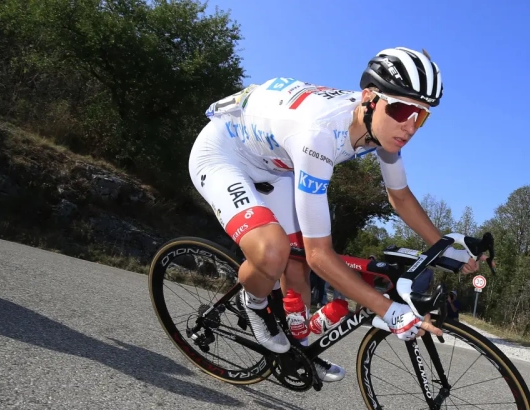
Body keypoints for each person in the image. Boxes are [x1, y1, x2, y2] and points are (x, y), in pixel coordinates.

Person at [188, 47, 478, 383]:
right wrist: (390, 311)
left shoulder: (379, 127)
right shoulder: (319, 134)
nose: (410, 127)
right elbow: (320, 256)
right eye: (402, 110)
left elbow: (399, 196)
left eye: (421, 116)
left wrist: (445, 247)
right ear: (369, 98)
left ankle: (299, 352)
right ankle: (253, 300)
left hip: (278, 166)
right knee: (273, 251)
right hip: (224, 154)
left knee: (296, 271)